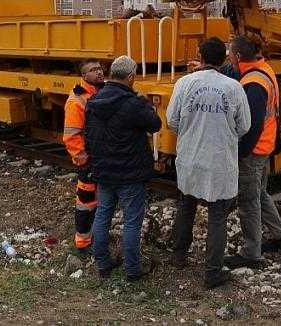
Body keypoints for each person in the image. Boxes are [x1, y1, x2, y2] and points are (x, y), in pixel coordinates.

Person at [167, 37, 251, 289]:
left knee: (186, 206)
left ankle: (179, 256)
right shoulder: (234, 88)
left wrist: (191, 129)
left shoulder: (185, 83)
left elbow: (172, 121)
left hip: (190, 158)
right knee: (217, 216)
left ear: (199, 56)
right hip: (219, 162)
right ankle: (213, 272)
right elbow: (244, 126)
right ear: (223, 59)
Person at [84, 55, 162, 280]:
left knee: (102, 215)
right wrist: (145, 102)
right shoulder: (133, 103)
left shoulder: (94, 101)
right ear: (131, 77)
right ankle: (133, 271)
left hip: (104, 171)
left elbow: (89, 136)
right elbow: (155, 124)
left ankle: (103, 264)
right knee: (131, 223)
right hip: (130, 174)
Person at [222, 35, 281, 270]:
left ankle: (252, 253)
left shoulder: (252, 85)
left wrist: (240, 153)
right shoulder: (263, 70)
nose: (229, 58)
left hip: (253, 151)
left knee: (248, 201)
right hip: (266, 146)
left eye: (230, 54)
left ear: (239, 56)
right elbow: (235, 73)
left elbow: (251, 127)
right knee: (260, 194)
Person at [62, 60, 104, 255]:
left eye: (100, 69)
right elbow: (71, 135)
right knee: (86, 202)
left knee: (95, 200)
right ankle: (82, 242)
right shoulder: (77, 100)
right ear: (84, 76)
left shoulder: (97, 93)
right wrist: (83, 160)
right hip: (88, 161)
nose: (99, 72)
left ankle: (92, 236)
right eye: (93, 70)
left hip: (96, 158)